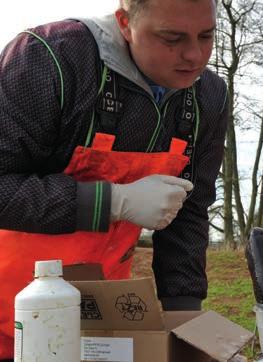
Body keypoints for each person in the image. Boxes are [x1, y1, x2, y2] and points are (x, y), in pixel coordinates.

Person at [0, 0, 228, 358]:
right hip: (10, 312)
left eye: (207, 35)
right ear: (125, 23)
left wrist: (183, 315)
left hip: (99, 321)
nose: (195, 55)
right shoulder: (48, 58)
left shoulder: (209, 97)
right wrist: (113, 203)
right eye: (171, 38)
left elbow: (189, 210)